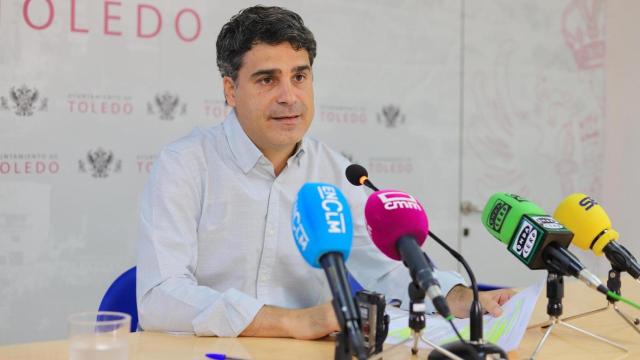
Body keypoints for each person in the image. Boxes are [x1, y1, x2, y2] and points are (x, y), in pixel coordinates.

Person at [136, 5, 514, 339]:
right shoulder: (186, 164)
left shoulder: (336, 171)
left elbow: (384, 269)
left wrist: (456, 297)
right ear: (231, 90)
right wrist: (290, 322)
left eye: (299, 77)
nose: (289, 96)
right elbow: (160, 295)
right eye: (267, 80)